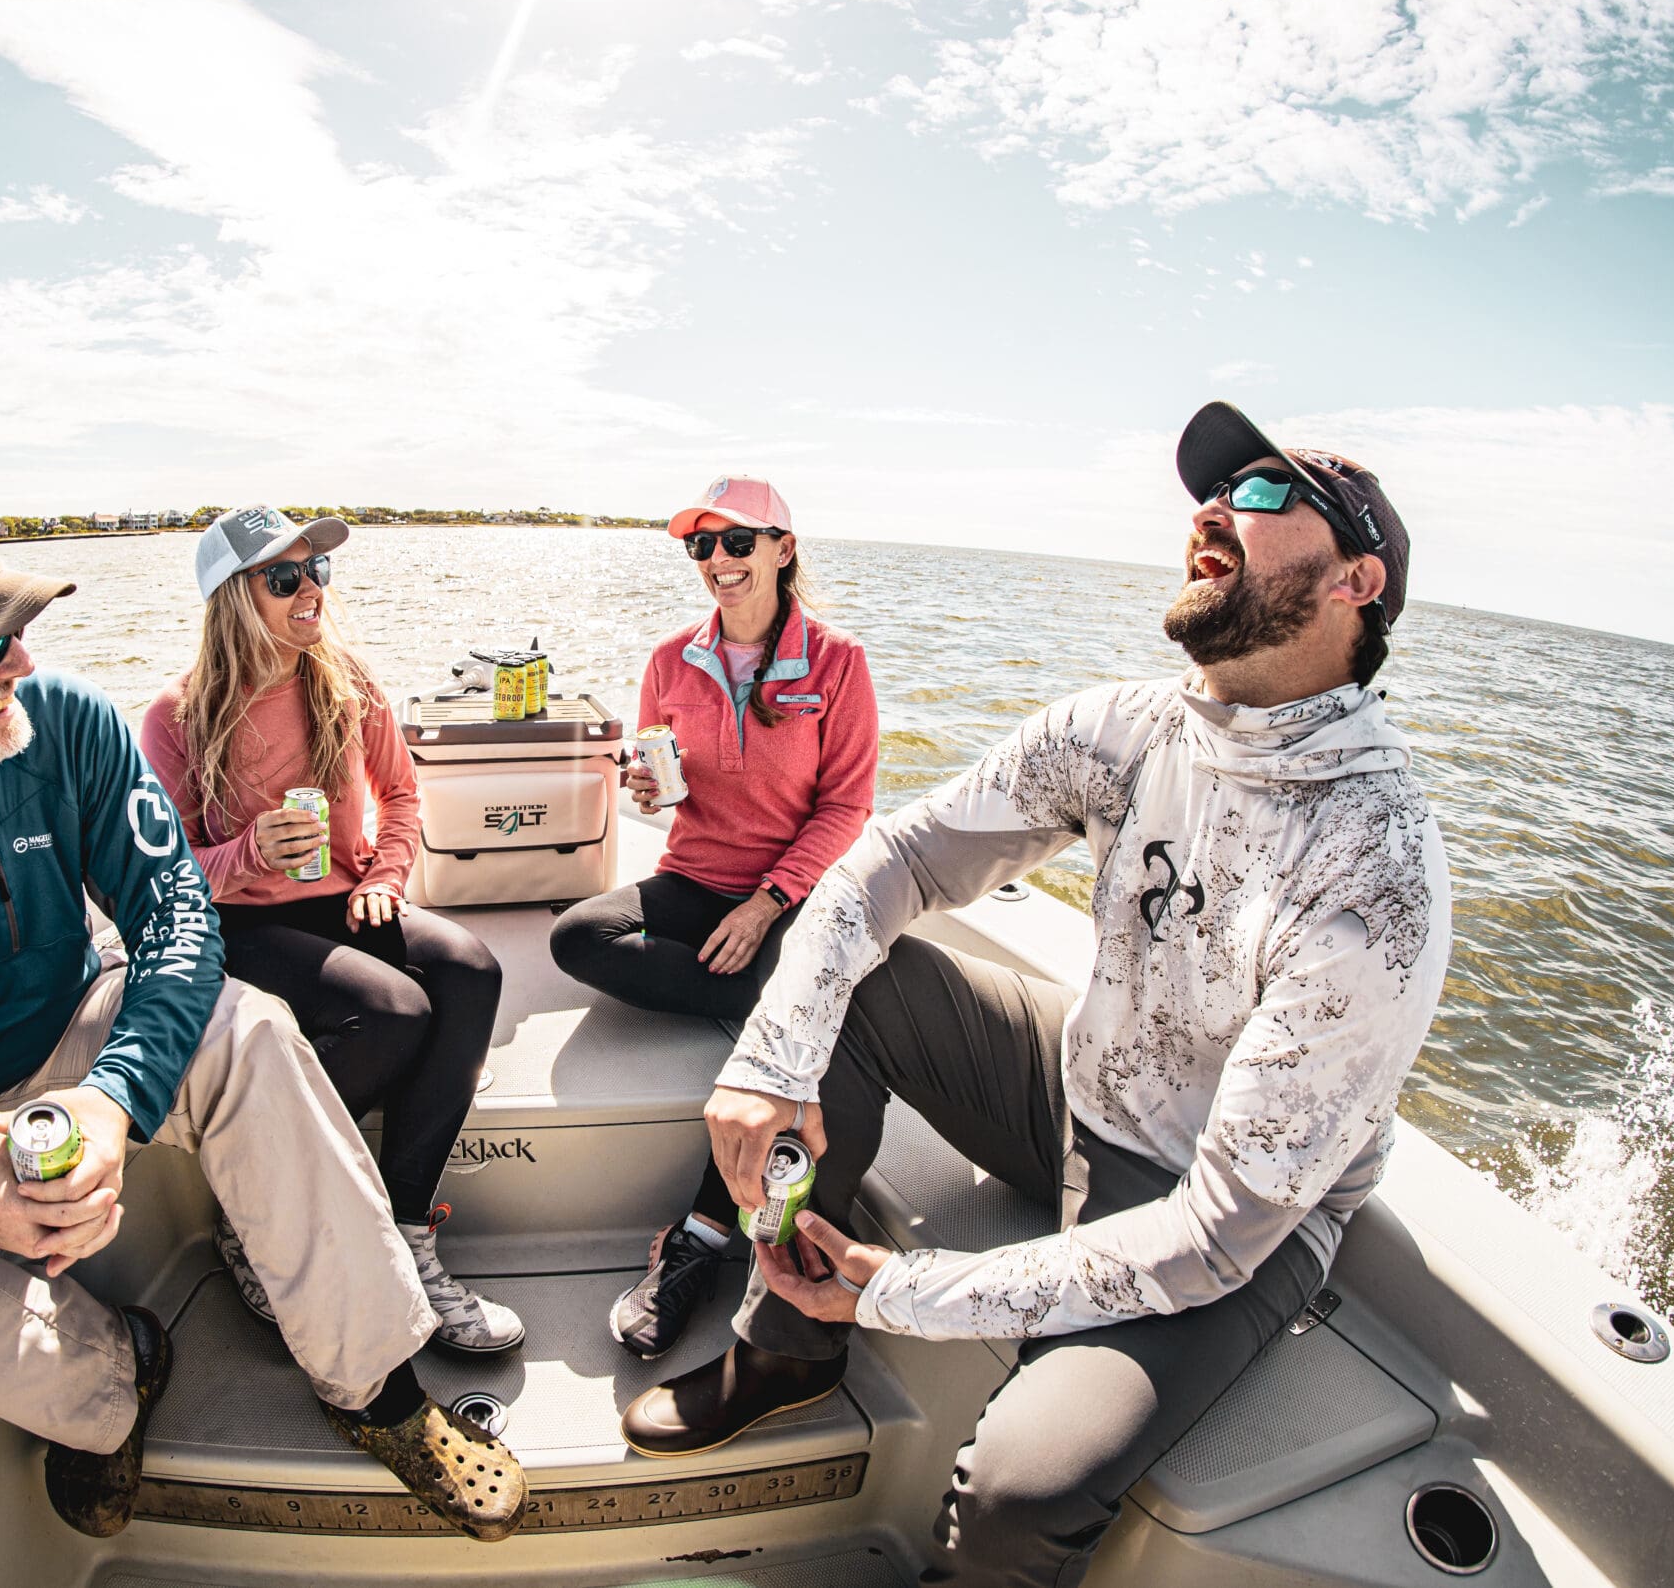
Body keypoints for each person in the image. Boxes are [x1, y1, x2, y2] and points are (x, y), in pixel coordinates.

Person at [619, 404, 1452, 1588]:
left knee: (1017, 1492)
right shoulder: (1127, 727)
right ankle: (786, 1347)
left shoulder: (1378, 866)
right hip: (1079, 1082)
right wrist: (772, 1055)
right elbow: (898, 858)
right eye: (1213, 495)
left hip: (1229, 1215)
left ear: (1354, 581)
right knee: (859, 980)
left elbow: (1217, 1227)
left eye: (1265, 499)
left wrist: (905, 1290)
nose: (1212, 513)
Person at [0, 504, 524, 1544]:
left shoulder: (65, 720)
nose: (22, 660)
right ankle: (106, 1379)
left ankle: (375, 1385)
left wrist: (112, 1089)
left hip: (74, 1026)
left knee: (253, 1031)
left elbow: (174, 908)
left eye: (18, 627)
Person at [138, 505, 520, 1355]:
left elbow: (404, 798)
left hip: (344, 900)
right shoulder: (177, 716)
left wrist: (386, 878)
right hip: (242, 920)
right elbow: (161, 882)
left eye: (318, 572)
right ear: (234, 597)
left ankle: (409, 1233)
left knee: (471, 971)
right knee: (395, 1012)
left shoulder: (346, 679)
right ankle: (256, 1216)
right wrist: (246, 851)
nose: (310, 589)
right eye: (285, 577)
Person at [548, 475, 878, 1358]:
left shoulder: (838, 661)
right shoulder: (669, 659)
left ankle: (697, 1237)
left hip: (791, 896)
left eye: (738, 542)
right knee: (578, 938)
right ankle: (762, 1013)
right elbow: (665, 796)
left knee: (803, 1049)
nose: (719, 562)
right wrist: (645, 788)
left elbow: (846, 809)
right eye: (702, 546)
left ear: (784, 548)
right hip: (693, 878)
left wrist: (769, 906)